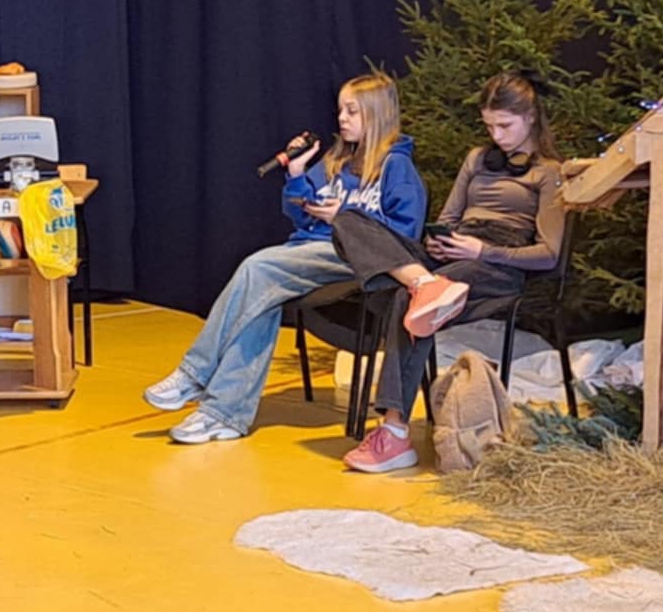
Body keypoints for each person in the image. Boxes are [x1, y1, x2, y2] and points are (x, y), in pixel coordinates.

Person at [144, 73, 427, 442]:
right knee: (262, 300)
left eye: (352, 111)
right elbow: (300, 215)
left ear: (376, 114)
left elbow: (404, 236)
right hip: (311, 251)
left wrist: (345, 217)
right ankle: (223, 414)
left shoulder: (397, 168)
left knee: (258, 267)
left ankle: (194, 375)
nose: (341, 118)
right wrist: (296, 174)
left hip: (356, 258)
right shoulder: (337, 160)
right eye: (340, 110)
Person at [333, 70, 566, 473]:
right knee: (348, 219)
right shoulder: (477, 159)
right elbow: (448, 217)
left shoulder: (547, 172)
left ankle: (394, 432)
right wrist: (437, 242)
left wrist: (484, 250)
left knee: (408, 300)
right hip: (454, 251)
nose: (496, 136)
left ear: (530, 118)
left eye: (505, 126)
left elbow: (549, 254)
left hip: (497, 261)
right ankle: (423, 281)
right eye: (489, 126)